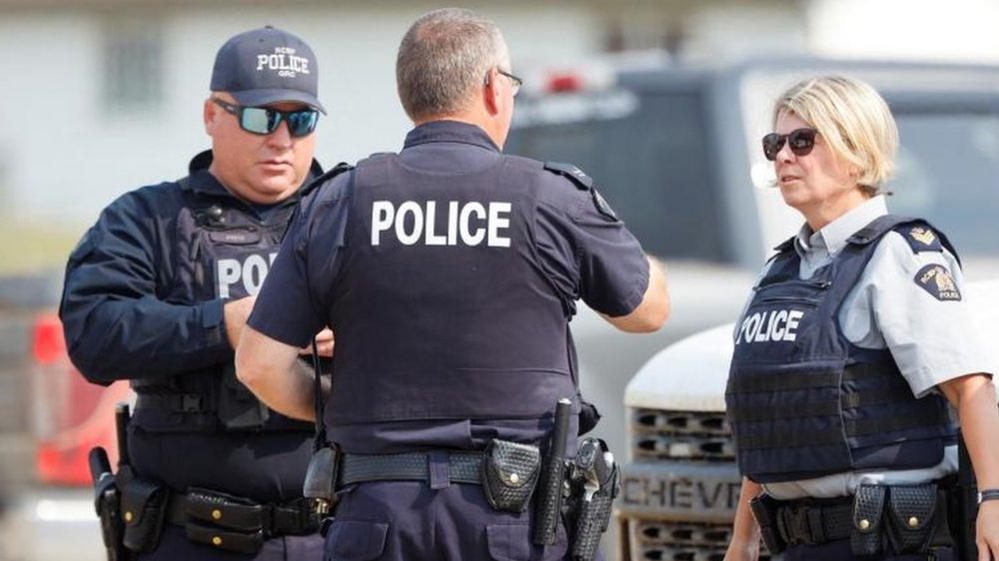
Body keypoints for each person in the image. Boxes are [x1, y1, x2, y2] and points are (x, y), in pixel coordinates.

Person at [235, 8, 669, 561]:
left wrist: (336, 401)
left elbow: (258, 363)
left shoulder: (340, 201)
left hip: (376, 519)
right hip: (510, 521)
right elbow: (647, 310)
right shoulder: (549, 198)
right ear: (493, 88)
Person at [60, 26, 334, 560]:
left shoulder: (348, 218)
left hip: (332, 537)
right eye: (261, 117)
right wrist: (228, 325)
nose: (281, 139)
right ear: (213, 115)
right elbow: (94, 333)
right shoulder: (148, 220)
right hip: (188, 537)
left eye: (299, 120)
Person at [723, 75, 999, 561]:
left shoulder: (897, 254)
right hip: (794, 542)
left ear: (856, 151)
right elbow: (775, 424)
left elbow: (971, 388)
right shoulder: (778, 271)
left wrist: (993, 501)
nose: (784, 156)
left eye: (803, 140)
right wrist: (742, 542)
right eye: (775, 143)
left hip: (886, 542)